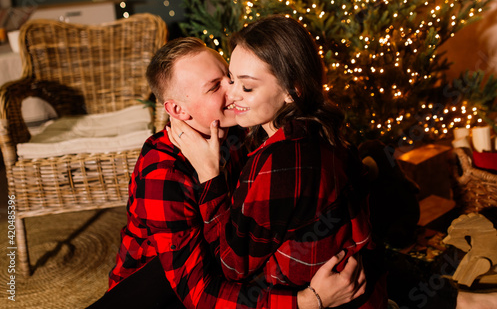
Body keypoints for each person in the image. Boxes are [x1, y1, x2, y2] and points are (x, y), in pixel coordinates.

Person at [102, 36, 368, 309]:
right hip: (155, 292)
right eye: (215, 86)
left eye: (228, 75)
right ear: (177, 110)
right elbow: (200, 295)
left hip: (225, 267)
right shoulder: (163, 173)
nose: (234, 90)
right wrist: (308, 301)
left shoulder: (239, 128)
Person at [167, 15, 387, 308]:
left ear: (291, 90)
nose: (230, 96)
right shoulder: (315, 130)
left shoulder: (281, 161)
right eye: (231, 79)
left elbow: (232, 267)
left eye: (246, 87)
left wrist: (210, 175)